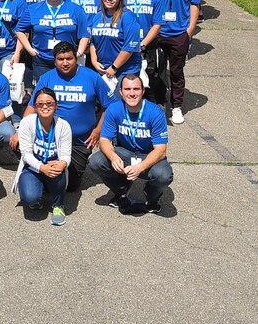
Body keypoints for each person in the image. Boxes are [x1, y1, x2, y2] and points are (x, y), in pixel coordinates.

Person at [18, 41, 114, 192]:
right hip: (49, 139)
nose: (65, 63)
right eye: (60, 59)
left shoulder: (92, 77)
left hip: (79, 142)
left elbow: (110, 106)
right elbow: (32, 105)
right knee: (45, 172)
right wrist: (20, 132)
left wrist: (98, 131)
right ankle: (35, 179)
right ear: (54, 60)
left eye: (69, 58)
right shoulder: (47, 78)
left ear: (76, 57)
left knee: (71, 186)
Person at [89, 72, 174, 214]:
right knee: (96, 161)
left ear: (143, 91)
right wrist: (113, 157)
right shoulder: (114, 109)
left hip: (149, 155)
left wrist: (140, 167)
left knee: (163, 175)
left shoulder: (155, 113)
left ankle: (152, 197)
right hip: (124, 153)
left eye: (136, 89)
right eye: (127, 89)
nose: (132, 93)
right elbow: (104, 140)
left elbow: (160, 150)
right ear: (121, 92)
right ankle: (122, 189)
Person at [149, 0, 201, 125]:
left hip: (179, 32)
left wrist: (190, 30)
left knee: (177, 71)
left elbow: (194, 3)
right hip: (159, 32)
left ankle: (176, 106)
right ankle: (159, 103)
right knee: (156, 70)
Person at [12, 87, 71, 225]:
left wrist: (62, 164)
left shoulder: (64, 125)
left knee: (58, 170)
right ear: (35, 106)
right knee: (30, 198)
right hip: (33, 167)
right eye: (40, 104)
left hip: (54, 166)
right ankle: (38, 193)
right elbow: (26, 154)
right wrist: (41, 167)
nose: (45, 107)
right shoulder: (27, 122)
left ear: (56, 105)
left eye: (49, 103)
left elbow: (66, 155)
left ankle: (58, 205)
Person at [88, 0, 142, 85]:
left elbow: (129, 47)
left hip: (125, 70)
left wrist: (114, 67)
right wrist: (94, 62)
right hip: (103, 70)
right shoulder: (98, 16)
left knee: (119, 101)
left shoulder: (128, 17)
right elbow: (93, 42)